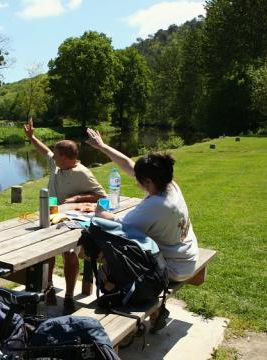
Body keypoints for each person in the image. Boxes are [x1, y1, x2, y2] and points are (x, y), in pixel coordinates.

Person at [86, 128, 198, 282]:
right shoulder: (167, 183)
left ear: (148, 182)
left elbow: (120, 226)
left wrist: (99, 212)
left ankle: (116, 300)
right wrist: (102, 146)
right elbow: (129, 165)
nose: (136, 183)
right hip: (186, 257)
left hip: (173, 267)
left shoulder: (159, 204)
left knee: (108, 253)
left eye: (138, 181)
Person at [23, 118, 107, 314]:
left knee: (69, 255)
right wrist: (31, 137)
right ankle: (49, 287)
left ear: (68, 158)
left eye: (57, 155)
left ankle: (69, 296)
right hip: (51, 216)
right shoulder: (57, 165)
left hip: (72, 223)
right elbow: (45, 151)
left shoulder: (83, 173)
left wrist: (77, 197)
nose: (53, 158)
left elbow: (102, 197)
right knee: (48, 253)